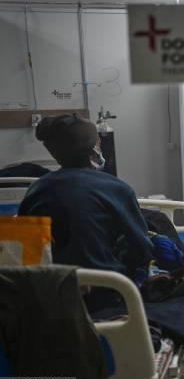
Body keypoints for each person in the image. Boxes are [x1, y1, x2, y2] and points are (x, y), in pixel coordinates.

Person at [18, 114, 153, 289]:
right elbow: (143, 250)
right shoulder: (117, 189)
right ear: (92, 149)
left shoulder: (36, 190)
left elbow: (27, 251)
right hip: (108, 288)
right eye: (98, 141)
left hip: (52, 291)